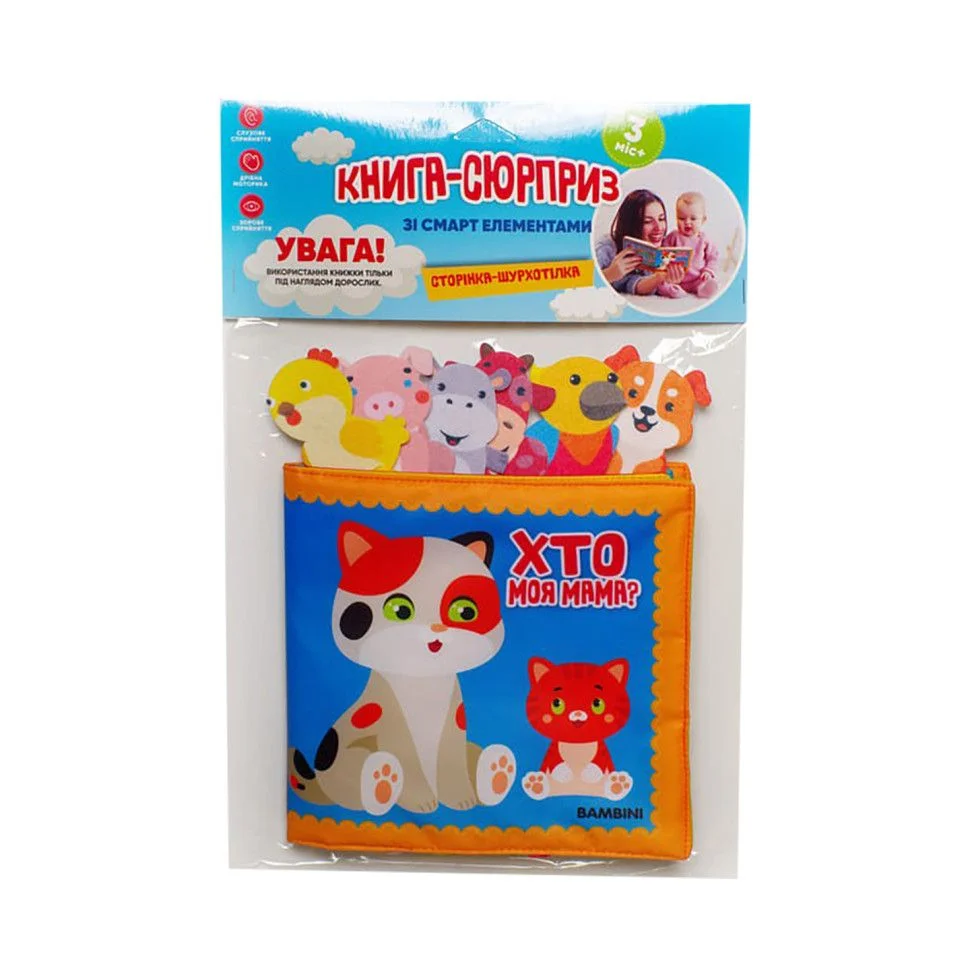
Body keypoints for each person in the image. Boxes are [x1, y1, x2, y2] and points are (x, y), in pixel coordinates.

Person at [596, 189, 686, 296]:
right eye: (647, 221)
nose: (659, 228)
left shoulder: (664, 247)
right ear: (631, 224)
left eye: (661, 219)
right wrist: (609, 274)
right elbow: (580, 279)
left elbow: (635, 284)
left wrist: (660, 277)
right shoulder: (607, 248)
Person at [658, 191, 719, 299]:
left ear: (703, 220)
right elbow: (662, 253)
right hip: (676, 279)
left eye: (693, 219)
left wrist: (708, 271)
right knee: (660, 284)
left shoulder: (704, 239)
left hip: (697, 278)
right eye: (681, 218)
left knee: (705, 281)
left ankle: (703, 289)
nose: (687, 222)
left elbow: (713, 257)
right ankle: (674, 290)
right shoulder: (673, 236)